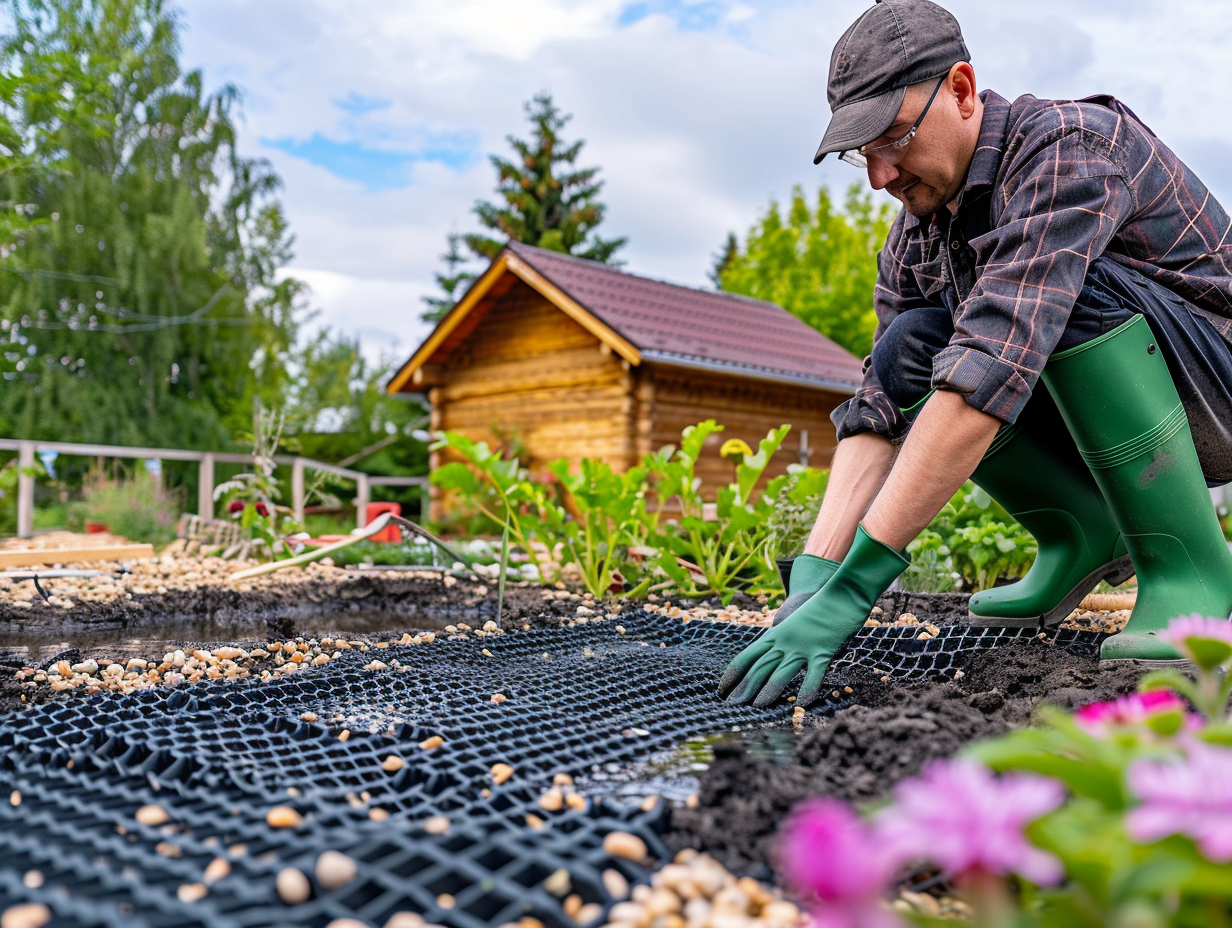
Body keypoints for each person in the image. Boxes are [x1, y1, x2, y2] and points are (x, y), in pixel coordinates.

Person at [720, 0, 1232, 708]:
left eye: (892, 138)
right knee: (911, 344)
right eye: (860, 153)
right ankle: (1082, 531)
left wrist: (858, 590)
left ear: (960, 90)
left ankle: (1192, 571)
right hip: (1112, 410)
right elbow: (879, 404)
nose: (879, 175)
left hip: (1213, 386)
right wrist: (816, 575)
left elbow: (992, 360)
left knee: (1049, 294)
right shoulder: (917, 235)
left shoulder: (1067, 148)